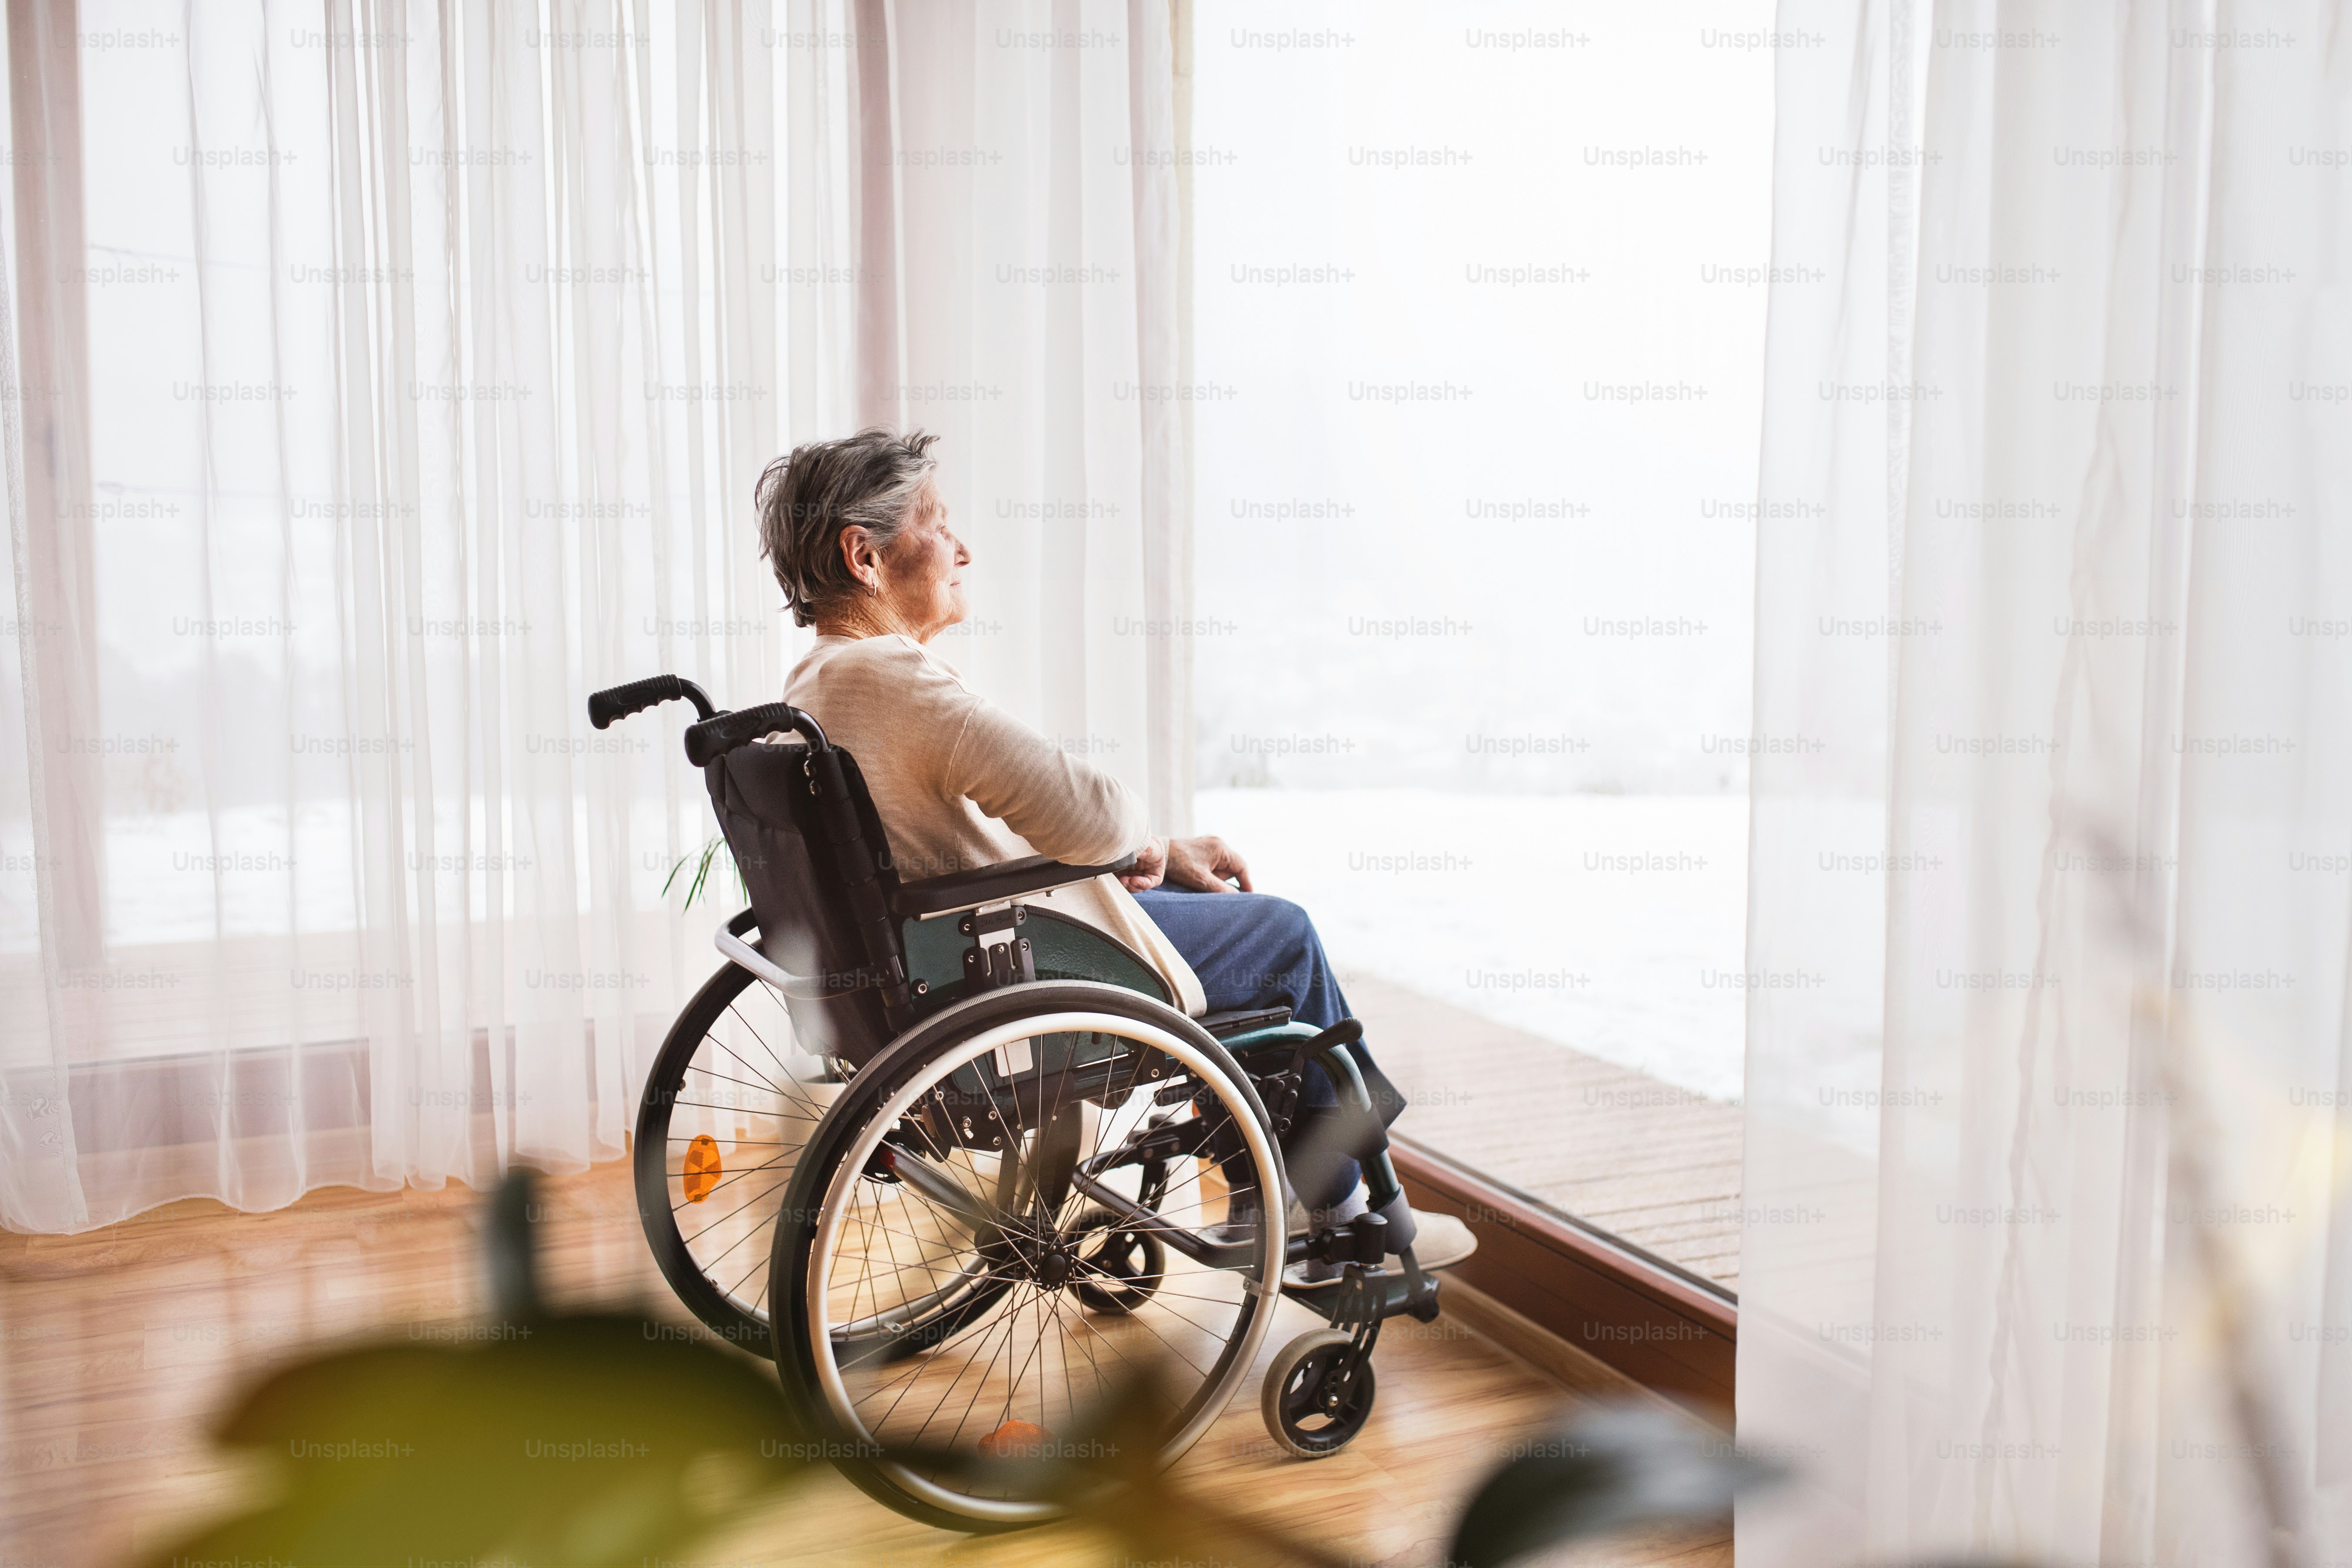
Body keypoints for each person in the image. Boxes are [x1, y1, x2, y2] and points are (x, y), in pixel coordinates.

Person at [755, 427, 1469, 1280]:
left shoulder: (813, 685)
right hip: (1001, 971)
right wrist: (1144, 842)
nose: (963, 549)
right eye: (938, 523)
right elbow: (1087, 813)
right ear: (863, 556)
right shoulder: (896, 679)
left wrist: (1157, 854)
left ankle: (1260, 1195)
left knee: (1212, 916)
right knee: (1281, 934)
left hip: (934, 966)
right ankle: (1358, 1217)